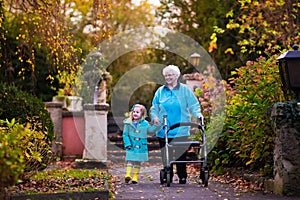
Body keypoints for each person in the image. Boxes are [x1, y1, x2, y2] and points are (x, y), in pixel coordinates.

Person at [150, 64, 203, 184]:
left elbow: (193, 105)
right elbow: (154, 107)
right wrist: (155, 117)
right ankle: (168, 171)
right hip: (164, 128)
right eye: (166, 75)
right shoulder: (160, 91)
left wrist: (198, 115)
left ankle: (182, 175)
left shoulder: (185, 90)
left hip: (181, 128)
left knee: (181, 153)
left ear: (177, 76)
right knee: (165, 153)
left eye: (170, 75)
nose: (168, 77)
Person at [123, 104, 161, 184]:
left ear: (142, 114)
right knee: (130, 160)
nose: (135, 113)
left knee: (137, 161)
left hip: (140, 145)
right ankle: (127, 174)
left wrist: (156, 125)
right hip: (131, 145)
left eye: (137, 112)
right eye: (134, 112)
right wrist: (127, 144)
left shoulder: (145, 123)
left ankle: (135, 177)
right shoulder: (128, 123)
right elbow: (125, 134)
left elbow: (150, 131)